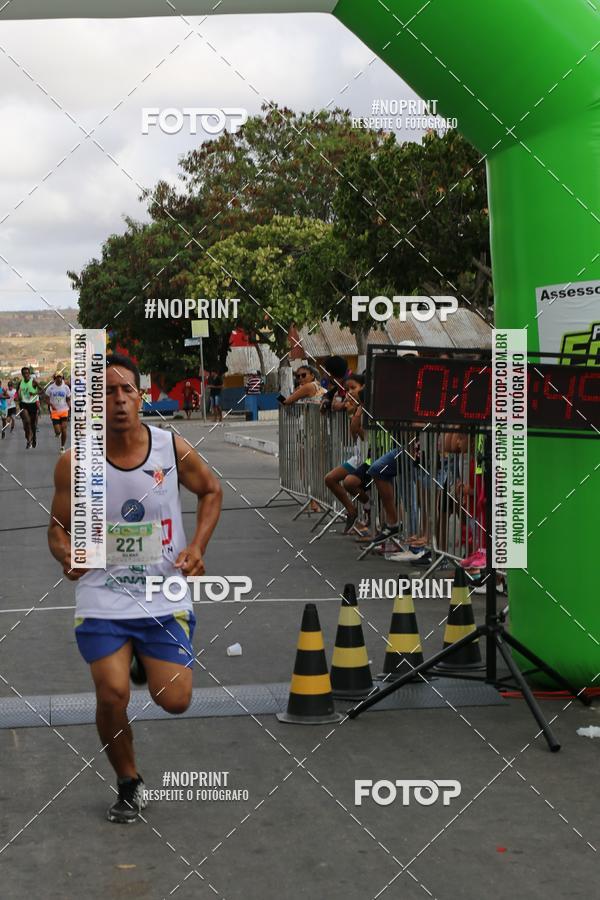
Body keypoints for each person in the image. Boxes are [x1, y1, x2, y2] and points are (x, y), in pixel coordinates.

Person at [48, 354, 222, 824]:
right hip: (103, 595)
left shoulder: (171, 448)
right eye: (108, 393)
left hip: (163, 595)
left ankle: (146, 658)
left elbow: (211, 490)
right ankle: (128, 780)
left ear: (141, 396)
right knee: (112, 694)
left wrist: (198, 547)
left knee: (176, 700)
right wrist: (68, 556)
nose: (119, 401)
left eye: (128, 391)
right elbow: (57, 531)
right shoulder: (76, 462)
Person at [324, 374, 371, 533]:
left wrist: (358, 413)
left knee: (350, 483)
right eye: (348, 389)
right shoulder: (354, 407)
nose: (350, 392)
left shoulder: (367, 409)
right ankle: (352, 511)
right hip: (358, 456)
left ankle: (368, 508)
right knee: (330, 479)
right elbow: (353, 436)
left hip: (370, 458)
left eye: (354, 388)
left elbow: (363, 435)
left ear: (363, 388)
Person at [45, 372, 71, 453]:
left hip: (64, 410)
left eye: (60, 377)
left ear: (62, 378)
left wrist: (70, 407)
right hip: (55, 412)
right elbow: (46, 398)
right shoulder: (50, 388)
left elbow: (68, 399)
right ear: (55, 378)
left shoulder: (66, 387)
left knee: (64, 429)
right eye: (57, 377)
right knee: (58, 431)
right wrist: (50, 405)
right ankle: (57, 433)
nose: (59, 378)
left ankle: (62, 447)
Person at [17, 366, 42, 448]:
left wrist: (35, 394)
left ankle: (34, 437)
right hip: (24, 404)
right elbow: (17, 395)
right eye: (24, 373)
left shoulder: (33, 381)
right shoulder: (20, 383)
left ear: (29, 373)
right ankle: (28, 440)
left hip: (33, 404)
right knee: (27, 422)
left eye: (27, 373)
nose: (26, 375)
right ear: (22, 374)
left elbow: (42, 390)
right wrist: (18, 397)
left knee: (32, 424)